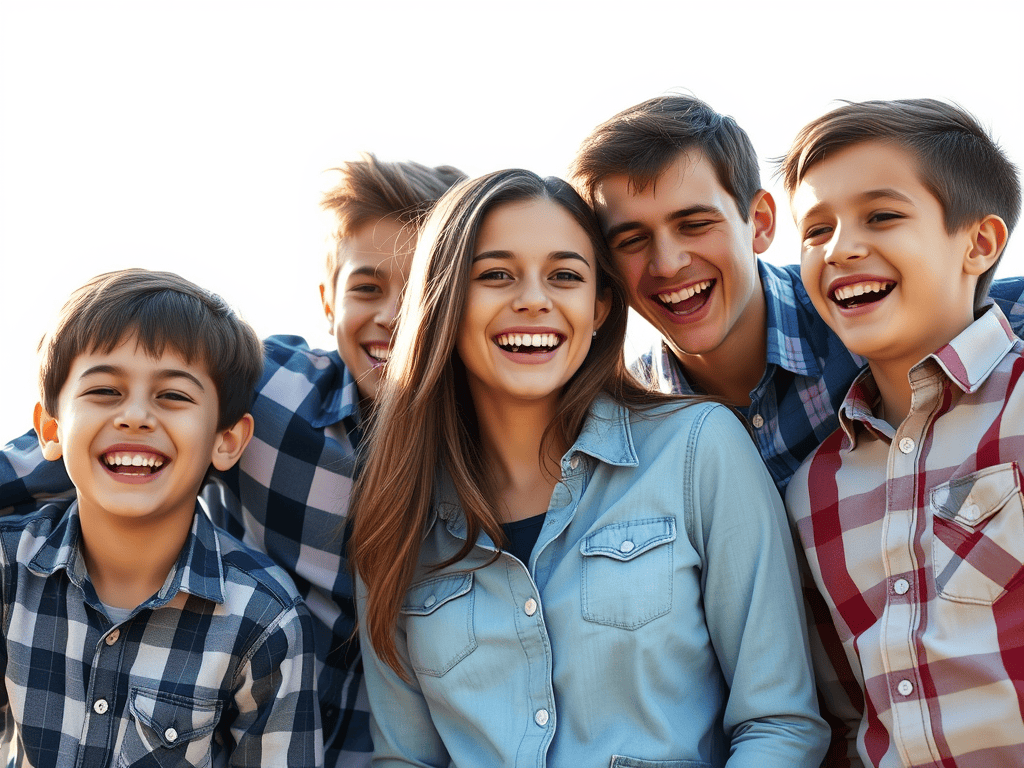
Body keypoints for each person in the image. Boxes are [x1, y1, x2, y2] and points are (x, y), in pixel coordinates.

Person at [348, 169, 828, 767]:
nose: (533, 298)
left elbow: (779, 725)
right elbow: (405, 758)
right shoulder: (397, 513)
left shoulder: (698, 450)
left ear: (599, 306)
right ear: (444, 300)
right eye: (496, 274)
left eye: (565, 276)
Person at [0, 154, 466, 767]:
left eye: (427, 290)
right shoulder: (270, 397)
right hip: (208, 687)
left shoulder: (499, 450)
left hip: (382, 744)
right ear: (327, 300)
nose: (393, 315)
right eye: (367, 287)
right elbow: (69, 449)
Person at [569, 95, 1024, 493]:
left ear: (761, 223)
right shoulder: (628, 422)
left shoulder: (866, 310)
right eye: (631, 240)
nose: (666, 264)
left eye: (695, 225)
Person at [780, 99, 1024, 767]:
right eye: (816, 230)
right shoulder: (810, 492)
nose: (841, 248)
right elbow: (846, 720)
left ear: (978, 243)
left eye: (882, 216)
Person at [0, 269, 322, 767]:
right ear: (50, 428)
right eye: (104, 391)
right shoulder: (8, 568)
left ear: (226, 440)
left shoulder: (263, 620)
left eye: (173, 395)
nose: (135, 416)